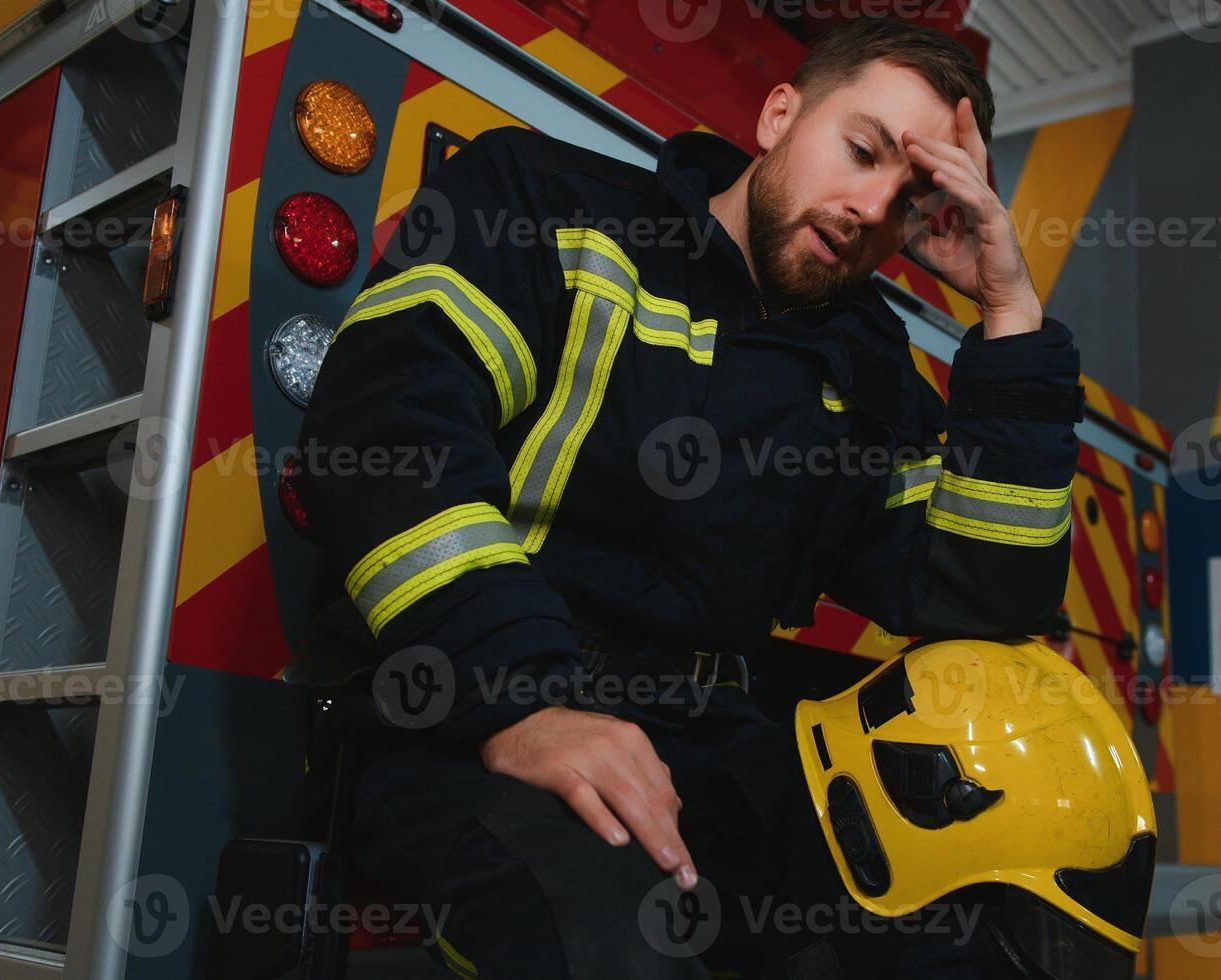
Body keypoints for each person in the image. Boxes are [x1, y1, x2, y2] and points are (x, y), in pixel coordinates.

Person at [293, 15, 1090, 978]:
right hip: (461, 724)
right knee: (624, 953)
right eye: (862, 150)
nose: (870, 207)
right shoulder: (541, 201)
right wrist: (527, 703)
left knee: (962, 955)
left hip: (718, 755)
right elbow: (387, 433)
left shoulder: (865, 362)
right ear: (778, 113)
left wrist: (1008, 319)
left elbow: (981, 596)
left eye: (911, 201)